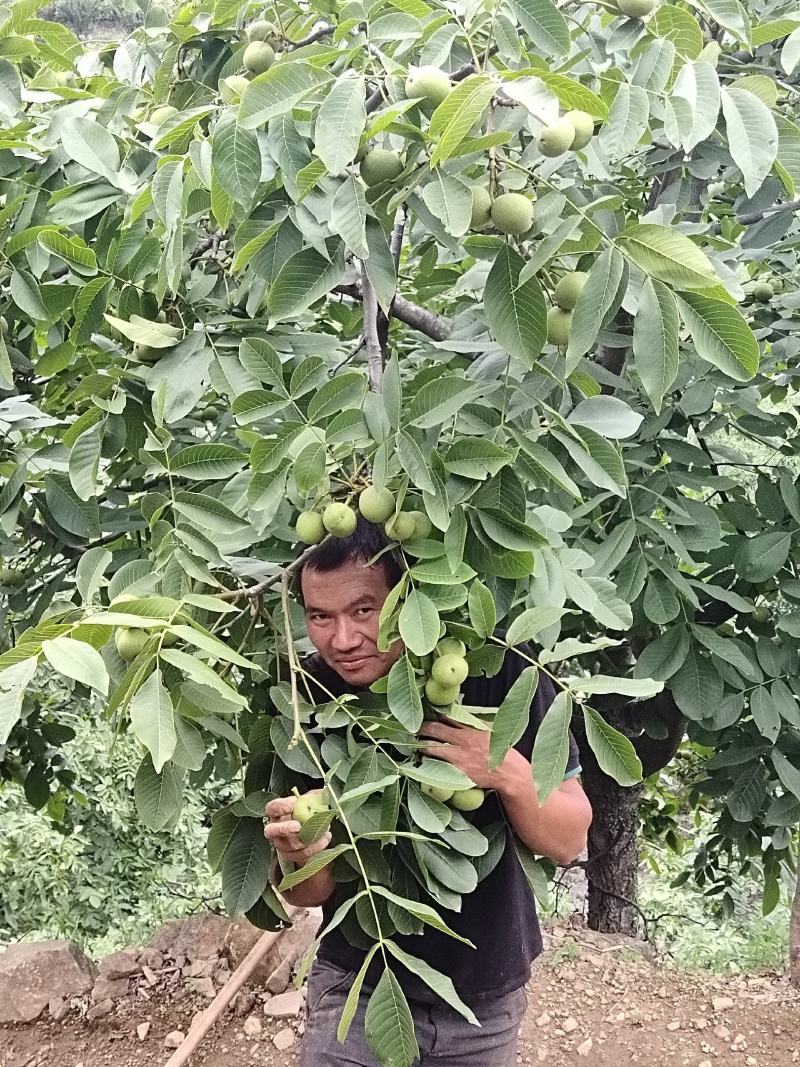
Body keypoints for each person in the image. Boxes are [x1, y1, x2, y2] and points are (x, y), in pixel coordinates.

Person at [265, 517, 593, 1066]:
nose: (342, 640)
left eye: (363, 610)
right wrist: (301, 852)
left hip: (483, 1000)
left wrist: (502, 768)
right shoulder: (306, 699)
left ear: (404, 598)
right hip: (358, 981)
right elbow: (306, 894)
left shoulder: (500, 670)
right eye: (321, 617)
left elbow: (568, 838)